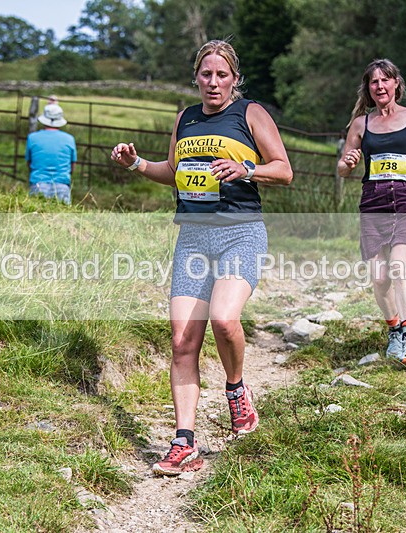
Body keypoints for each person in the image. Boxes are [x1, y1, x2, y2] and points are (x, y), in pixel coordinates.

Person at [110, 39, 292, 476]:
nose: (213, 82)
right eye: (206, 74)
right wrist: (136, 164)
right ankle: (184, 442)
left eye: (221, 75)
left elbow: (284, 170)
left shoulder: (250, 114)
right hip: (192, 239)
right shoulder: (186, 118)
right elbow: (173, 172)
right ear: (196, 77)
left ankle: (236, 390)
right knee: (182, 341)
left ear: (234, 79)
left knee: (225, 320)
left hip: (240, 234)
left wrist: (247, 169)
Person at [337, 59, 406, 364]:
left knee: (398, 265)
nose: (380, 86)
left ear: (396, 83)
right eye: (374, 82)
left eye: (385, 80)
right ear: (368, 88)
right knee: (380, 278)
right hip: (373, 204)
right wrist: (348, 163)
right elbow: (342, 168)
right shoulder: (361, 124)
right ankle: (394, 330)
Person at [25, 102, 77, 204]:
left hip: (38, 184)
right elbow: (72, 167)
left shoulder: (32, 138)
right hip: (62, 185)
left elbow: (29, 163)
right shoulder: (69, 139)